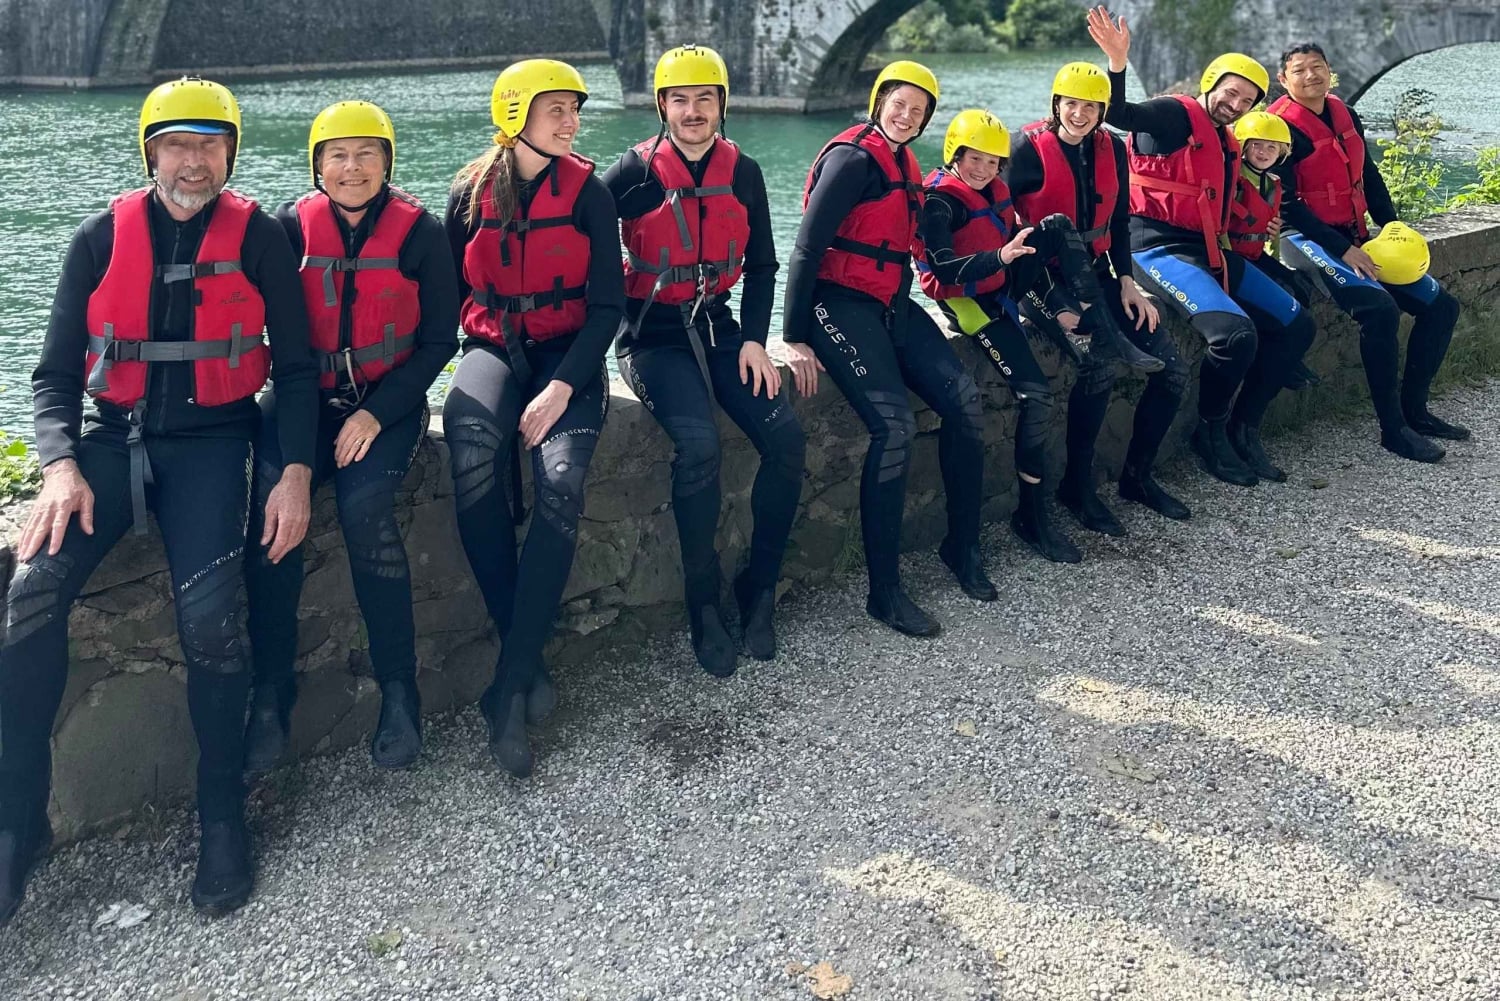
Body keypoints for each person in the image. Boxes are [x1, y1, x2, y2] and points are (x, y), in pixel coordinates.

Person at [1, 77, 317, 922]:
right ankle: (16, 823)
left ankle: (222, 815)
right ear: (150, 153)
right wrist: (59, 465)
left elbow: (294, 371)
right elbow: (55, 376)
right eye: (177, 145)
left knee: (211, 620)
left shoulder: (261, 241)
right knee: (29, 596)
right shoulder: (98, 238)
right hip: (113, 444)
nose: (193, 161)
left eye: (210, 145)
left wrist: (293, 472)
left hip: (217, 445)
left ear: (230, 154)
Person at [241, 101, 458, 776]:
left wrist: (375, 413)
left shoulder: (421, 232)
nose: (352, 168)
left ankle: (400, 690)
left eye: (367, 154)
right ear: (317, 166)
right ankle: (272, 689)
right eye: (337, 155)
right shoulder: (286, 229)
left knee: (366, 513)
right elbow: (283, 346)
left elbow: (436, 343)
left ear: (387, 163)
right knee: (272, 519)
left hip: (386, 405)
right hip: (302, 399)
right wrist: (299, 460)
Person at [444, 60, 622, 778]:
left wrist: (559, 390)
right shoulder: (468, 192)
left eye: (574, 110)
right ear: (516, 112)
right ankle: (524, 652)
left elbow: (607, 307)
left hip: (569, 356)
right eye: (557, 109)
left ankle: (509, 685)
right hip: (493, 347)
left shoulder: (590, 193)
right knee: (470, 450)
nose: (571, 123)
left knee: (560, 482)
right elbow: (449, 291)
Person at [605, 45, 805, 674]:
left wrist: (753, 336)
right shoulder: (632, 174)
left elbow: (767, 265)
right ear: (663, 106)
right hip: (651, 333)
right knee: (699, 448)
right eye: (680, 100)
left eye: (704, 99)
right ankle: (703, 606)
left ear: (722, 104)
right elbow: (578, 244)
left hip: (718, 326)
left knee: (788, 440)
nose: (693, 112)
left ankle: (760, 588)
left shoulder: (742, 171)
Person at [783, 60, 989, 637]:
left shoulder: (903, 161)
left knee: (966, 403)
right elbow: (805, 250)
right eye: (898, 103)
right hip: (836, 304)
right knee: (893, 427)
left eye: (918, 111)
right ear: (879, 102)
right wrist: (794, 334)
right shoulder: (852, 160)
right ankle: (885, 591)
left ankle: (962, 547)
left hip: (889, 303)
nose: (906, 116)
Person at [915, 108, 1159, 563]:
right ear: (954, 153)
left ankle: (1098, 328)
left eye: (993, 162)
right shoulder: (938, 202)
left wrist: (1056, 302)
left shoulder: (996, 190)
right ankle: (1031, 514)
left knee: (1057, 226)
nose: (984, 170)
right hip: (968, 300)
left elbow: (1023, 254)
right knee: (1037, 396)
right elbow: (944, 268)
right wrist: (1001, 258)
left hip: (1002, 280)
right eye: (975, 160)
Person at [1089, 8, 1316, 494]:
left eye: (1247, 100)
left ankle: (1243, 428)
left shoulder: (1225, 138)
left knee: (1298, 324)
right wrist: (1117, 63)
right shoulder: (1174, 115)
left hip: (1206, 247)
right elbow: (1121, 115)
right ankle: (1209, 432)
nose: (1235, 104)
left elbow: (1236, 189)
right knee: (1235, 336)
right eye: (1230, 92)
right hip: (1153, 248)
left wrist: (1266, 220)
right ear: (1212, 84)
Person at [1270, 42, 1467, 460]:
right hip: (1305, 241)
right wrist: (1343, 249)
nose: (1311, 76)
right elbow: (1286, 204)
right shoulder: (1279, 127)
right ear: (1283, 81)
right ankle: (1392, 429)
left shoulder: (1345, 113)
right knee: (1379, 311)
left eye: (1318, 67)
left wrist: (1392, 225)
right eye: (1300, 70)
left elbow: (1368, 174)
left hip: (1356, 235)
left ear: (1330, 71)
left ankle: (1416, 411)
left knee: (1441, 306)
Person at [1006, 62, 1179, 534]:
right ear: (1056, 104)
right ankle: (1077, 488)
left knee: (1173, 370)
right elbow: (995, 214)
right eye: (1071, 103)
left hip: (1099, 275)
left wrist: (1126, 278)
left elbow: (1119, 221)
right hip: (1041, 281)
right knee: (1100, 364)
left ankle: (1137, 479)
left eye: (1091, 106)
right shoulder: (1026, 150)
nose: (1080, 114)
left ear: (1103, 110)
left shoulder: (1111, 148)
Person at [1220, 110, 1318, 480]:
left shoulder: (1273, 183)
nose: (1262, 151)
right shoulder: (1230, 179)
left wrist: (1271, 229)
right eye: (1255, 145)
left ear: (1282, 152)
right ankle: (1242, 428)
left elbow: (1264, 234)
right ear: (1241, 147)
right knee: (1287, 319)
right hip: (1231, 259)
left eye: (1271, 147)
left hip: (1254, 254)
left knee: (1299, 287)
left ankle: (1286, 363)